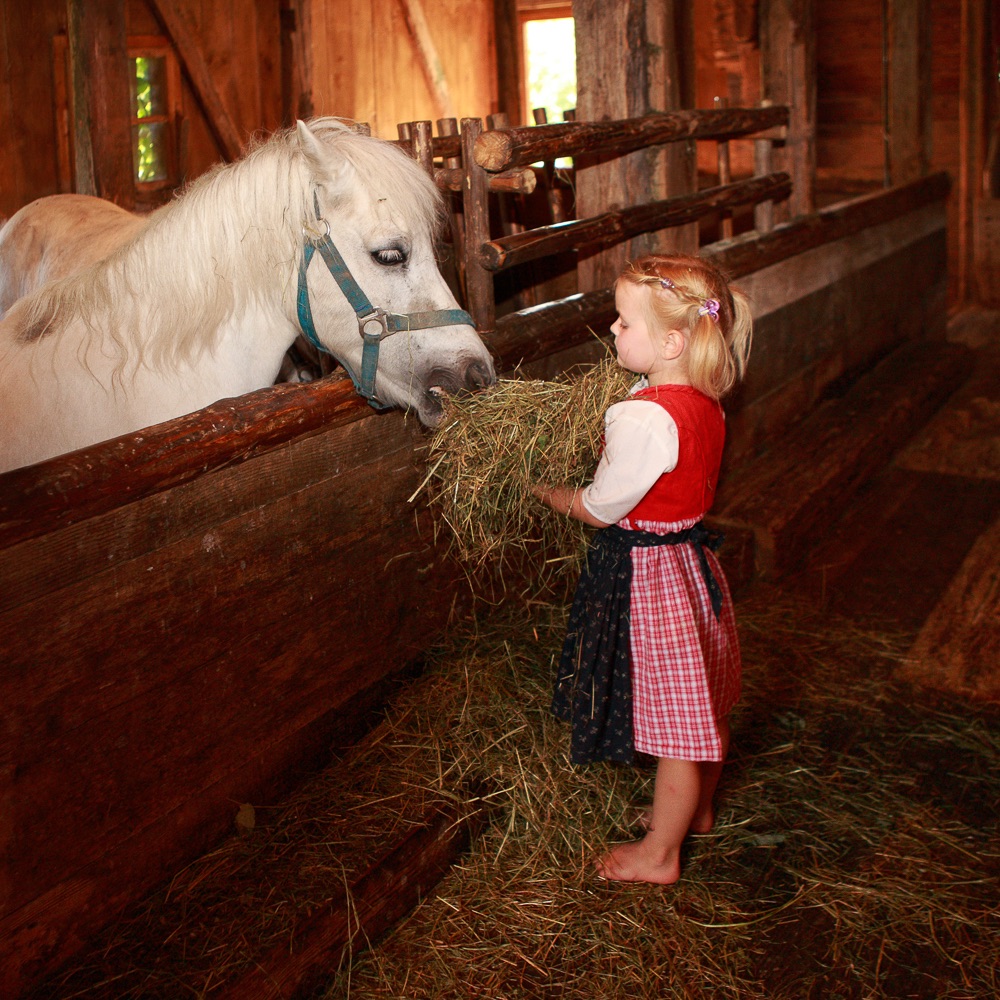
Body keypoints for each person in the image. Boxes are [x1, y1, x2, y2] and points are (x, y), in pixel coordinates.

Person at [533, 252, 752, 885]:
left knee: (677, 729)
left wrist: (550, 493)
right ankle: (698, 810)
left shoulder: (643, 416)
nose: (613, 331)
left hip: (651, 580)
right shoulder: (701, 400)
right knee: (704, 705)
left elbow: (602, 508)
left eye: (624, 322)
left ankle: (659, 854)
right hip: (692, 565)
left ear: (673, 340)